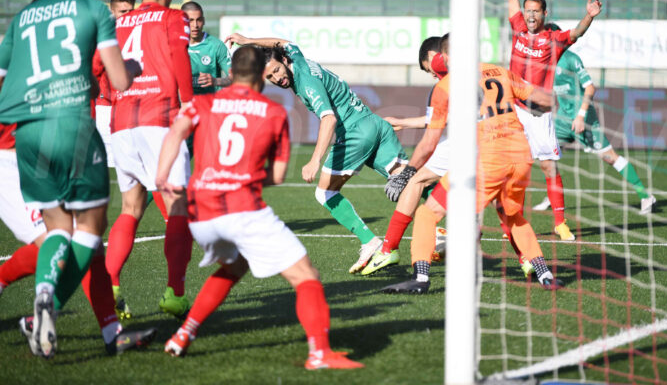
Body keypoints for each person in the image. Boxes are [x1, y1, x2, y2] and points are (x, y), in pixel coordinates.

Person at [156, 46, 364, 369]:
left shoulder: (202, 103)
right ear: (260, 77)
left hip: (201, 213)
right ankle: (320, 354)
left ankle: (183, 333)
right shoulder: (274, 112)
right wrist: (243, 177)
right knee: (306, 275)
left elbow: (176, 132)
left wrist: (161, 176)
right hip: (242, 210)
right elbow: (278, 176)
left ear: (232, 72)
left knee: (234, 267)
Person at [0, 0, 141, 358]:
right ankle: (41, 302)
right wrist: (128, 70)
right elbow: (119, 79)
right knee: (79, 236)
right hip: (68, 132)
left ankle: (106, 329)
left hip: (27, 137)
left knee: (68, 237)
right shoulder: (93, 12)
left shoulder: (22, 22)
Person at [383, 36, 563, 293]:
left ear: (443, 57)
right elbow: (546, 101)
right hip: (521, 156)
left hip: (487, 159)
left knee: (428, 213)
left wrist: (409, 171)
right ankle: (545, 274)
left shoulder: (447, 85)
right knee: (512, 216)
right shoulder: (500, 71)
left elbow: (429, 142)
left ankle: (421, 278)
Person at [223, 34, 410, 274]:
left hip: (354, 133)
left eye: (277, 71)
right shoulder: (297, 58)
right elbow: (282, 42)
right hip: (374, 123)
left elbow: (329, 119)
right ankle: (449, 224)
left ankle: (370, 242)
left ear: (282, 60)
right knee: (410, 181)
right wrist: (248, 40)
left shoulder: (305, 80)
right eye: (270, 76)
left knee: (325, 192)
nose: (277, 78)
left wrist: (314, 160)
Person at [105, 0, 195, 319]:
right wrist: (189, 104)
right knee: (177, 207)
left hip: (121, 121)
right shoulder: (173, 18)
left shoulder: (116, 22)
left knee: (130, 207)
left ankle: (109, 285)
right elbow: (179, 61)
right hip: (160, 119)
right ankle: (175, 292)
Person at [503, 0, 603, 241]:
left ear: (545, 14)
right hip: (514, 110)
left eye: (536, 11)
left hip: (540, 116)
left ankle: (560, 223)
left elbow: (577, 32)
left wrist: (589, 16)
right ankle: (509, 225)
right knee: (510, 169)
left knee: (548, 167)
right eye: (527, 10)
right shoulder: (518, 28)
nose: (530, 15)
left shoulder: (554, 40)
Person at [530, 44, 656, 214]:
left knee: (610, 157)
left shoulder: (570, 59)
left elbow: (590, 87)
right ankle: (553, 197)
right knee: (547, 156)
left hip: (584, 119)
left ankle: (645, 196)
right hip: (563, 120)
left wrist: (581, 116)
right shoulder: (545, 62)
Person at [361, 36, 449, 275]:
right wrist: (403, 122)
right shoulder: (481, 72)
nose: (430, 73)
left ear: (435, 57)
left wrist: (408, 170)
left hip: (467, 144)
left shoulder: (445, 84)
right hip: (498, 142)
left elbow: (432, 136)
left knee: (416, 181)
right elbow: (438, 119)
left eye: (426, 67)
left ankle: (389, 250)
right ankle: (528, 257)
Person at [92, 0, 137, 170]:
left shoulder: (138, 34)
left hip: (131, 104)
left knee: (132, 161)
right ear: (112, 12)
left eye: (131, 11)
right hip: (107, 105)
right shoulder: (103, 36)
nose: (128, 16)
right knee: (108, 164)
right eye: (123, 11)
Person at [182, 1, 231, 95]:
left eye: (199, 20)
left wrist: (215, 81)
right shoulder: (173, 44)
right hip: (184, 106)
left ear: (204, 20)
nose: (195, 25)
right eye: (190, 20)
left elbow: (235, 77)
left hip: (210, 105)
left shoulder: (216, 45)